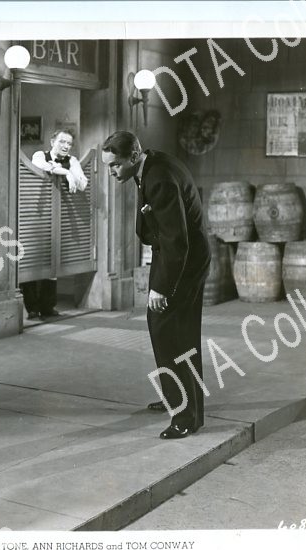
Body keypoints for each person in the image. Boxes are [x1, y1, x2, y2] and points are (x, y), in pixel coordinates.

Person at [101, 131, 211, 439]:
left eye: (115, 165)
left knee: (172, 333)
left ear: (133, 156)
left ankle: (185, 417)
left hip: (183, 262)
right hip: (178, 256)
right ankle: (177, 397)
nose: (111, 172)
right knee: (172, 331)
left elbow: (177, 241)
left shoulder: (159, 177)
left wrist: (161, 287)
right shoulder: (151, 165)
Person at [21, 129, 88, 319]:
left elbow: (83, 183)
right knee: (32, 260)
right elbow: (40, 166)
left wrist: (72, 172)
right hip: (36, 214)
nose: (66, 146)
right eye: (62, 142)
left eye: (69, 143)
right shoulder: (40, 155)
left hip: (58, 216)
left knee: (53, 260)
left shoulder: (72, 160)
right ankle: (31, 307)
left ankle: (47, 306)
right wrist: (65, 172)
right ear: (52, 142)